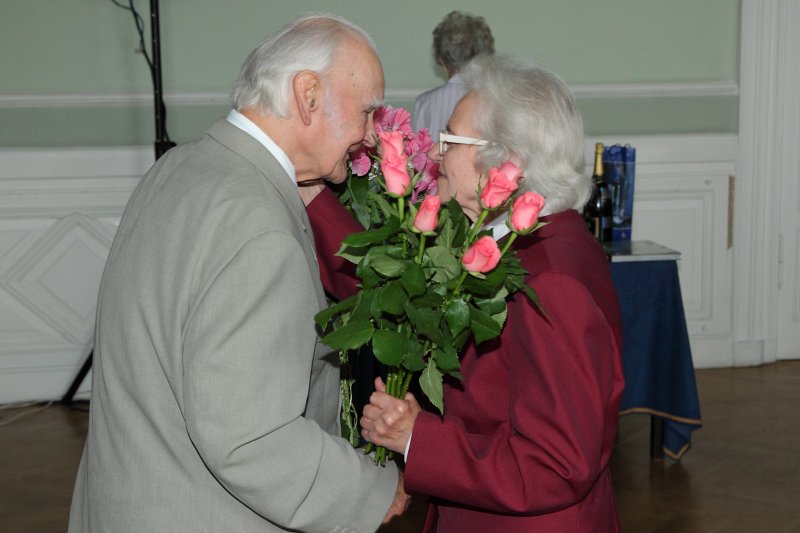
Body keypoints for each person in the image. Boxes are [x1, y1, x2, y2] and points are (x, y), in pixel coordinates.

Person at [68, 14, 410, 533]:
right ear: (308, 95)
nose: (368, 135)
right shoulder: (260, 227)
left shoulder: (181, 165)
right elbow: (251, 438)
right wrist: (370, 492)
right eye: (366, 112)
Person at [356, 55, 625, 531]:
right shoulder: (536, 241)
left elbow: (557, 464)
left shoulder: (552, 281)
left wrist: (419, 438)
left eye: (450, 140)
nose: (436, 155)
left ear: (507, 161)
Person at [412, 11, 495, 141]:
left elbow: (418, 155)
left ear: (441, 60)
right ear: (484, 57)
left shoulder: (425, 103)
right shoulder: (495, 100)